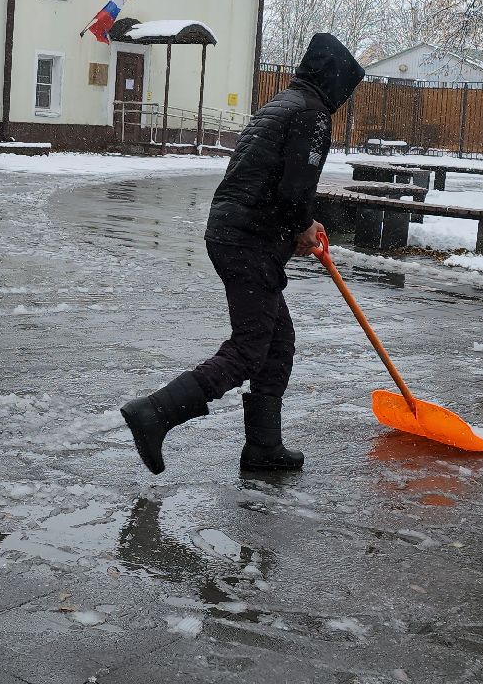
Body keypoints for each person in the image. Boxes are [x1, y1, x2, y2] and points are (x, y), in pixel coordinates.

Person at [120, 32, 364, 474]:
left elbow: (273, 179)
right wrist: (302, 223)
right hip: (250, 239)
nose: (344, 98)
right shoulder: (311, 114)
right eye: (347, 87)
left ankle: (263, 447)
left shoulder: (283, 103)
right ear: (335, 80)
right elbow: (294, 188)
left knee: (277, 341)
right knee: (251, 348)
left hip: (232, 231)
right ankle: (154, 413)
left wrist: (300, 223)